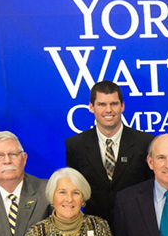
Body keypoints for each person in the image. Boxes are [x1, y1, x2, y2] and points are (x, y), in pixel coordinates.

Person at [64, 81, 151, 225]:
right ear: (91, 107)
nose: (108, 110)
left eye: (114, 104)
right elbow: (74, 189)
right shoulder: (75, 145)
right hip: (93, 229)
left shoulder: (145, 143)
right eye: (102, 104)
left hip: (137, 226)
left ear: (122, 106)